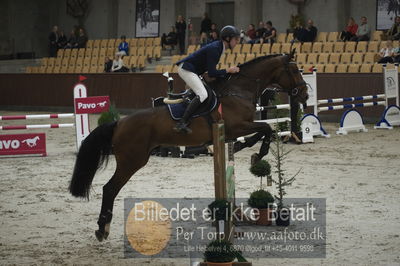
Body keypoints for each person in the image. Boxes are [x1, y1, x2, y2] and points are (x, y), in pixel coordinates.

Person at [174, 25, 241, 133]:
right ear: (228, 39)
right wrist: (228, 70)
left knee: (205, 93)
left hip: (192, 70)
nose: (237, 42)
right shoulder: (215, 49)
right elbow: (212, 73)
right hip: (187, 69)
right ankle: (182, 122)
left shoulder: (219, 47)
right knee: (203, 94)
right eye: (235, 39)